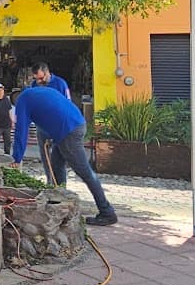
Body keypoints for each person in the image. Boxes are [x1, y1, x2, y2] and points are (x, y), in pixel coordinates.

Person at [12, 84, 118, 226]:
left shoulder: (22, 101)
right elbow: (52, 112)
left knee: (85, 172)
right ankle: (60, 204)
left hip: (68, 131)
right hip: (76, 123)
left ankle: (107, 211)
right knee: (57, 166)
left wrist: (16, 158)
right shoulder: (39, 91)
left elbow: (21, 132)